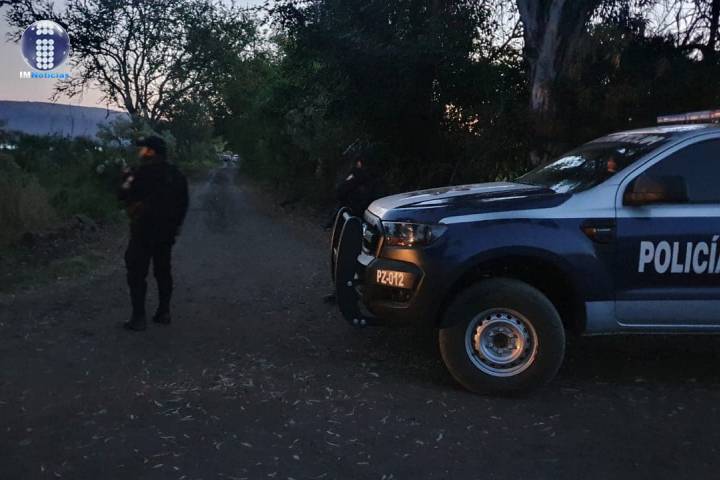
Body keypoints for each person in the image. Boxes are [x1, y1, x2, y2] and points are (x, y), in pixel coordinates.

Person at [118, 136, 189, 331]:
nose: (140, 152)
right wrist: (175, 227)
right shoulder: (176, 174)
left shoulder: (137, 174)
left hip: (142, 231)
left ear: (151, 152)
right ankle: (164, 312)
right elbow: (183, 203)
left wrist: (125, 177)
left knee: (136, 273)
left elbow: (122, 194)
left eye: (143, 149)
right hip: (166, 233)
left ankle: (138, 318)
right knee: (163, 271)